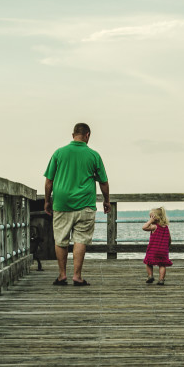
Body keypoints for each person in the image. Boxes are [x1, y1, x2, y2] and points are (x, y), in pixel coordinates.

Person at [43, 122, 110, 286]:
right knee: (80, 239)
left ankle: (62, 275)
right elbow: (104, 182)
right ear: (88, 135)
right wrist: (106, 201)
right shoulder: (94, 155)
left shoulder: (59, 153)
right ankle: (77, 276)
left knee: (61, 239)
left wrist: (47, 201)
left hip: (62, 203)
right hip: (85, 203)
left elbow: (48, 181)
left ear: (73, 135)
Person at [142, 206, 172, 285]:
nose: (150, 218)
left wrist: (150, 221)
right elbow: (169, 239)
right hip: (163, 250)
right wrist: (167, 246)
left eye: (151, 217)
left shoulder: (154, 227)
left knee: (148, 262)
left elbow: (144, 227)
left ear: (156, 218)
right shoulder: (166, 227)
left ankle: (150, 276)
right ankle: (161, 279)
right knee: (162, 265)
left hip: (153, 249)